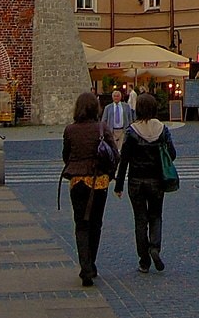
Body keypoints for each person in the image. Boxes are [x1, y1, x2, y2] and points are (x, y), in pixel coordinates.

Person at [114, 93, 175, 273]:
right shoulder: (162, 129)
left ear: (138, 109)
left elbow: (124, 160)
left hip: (136, 181)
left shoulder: (132, 132)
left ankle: (144, 260)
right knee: (156, 216)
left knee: (140, 220)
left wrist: (118, 186)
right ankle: (154, 247)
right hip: (156, 180)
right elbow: (172, 154)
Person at [62, 92, 111, 286]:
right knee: (96, 223)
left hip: (78, 182)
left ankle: (85, 266)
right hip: (99, 182)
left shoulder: (70, 130)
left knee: (81, 224)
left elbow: (66, 155)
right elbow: (113, 153)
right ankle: (91, 263)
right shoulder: (102, 128)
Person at [103, 89, 132, 154]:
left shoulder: (126, 106)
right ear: (112, 97)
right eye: (115, 96)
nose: (116, 97)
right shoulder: (107, 108)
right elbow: (104, 120)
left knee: (122, 150)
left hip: (123, 131)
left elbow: (130, 119)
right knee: (113, 149)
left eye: (117, 96)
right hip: (112, 131)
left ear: (120, 97)